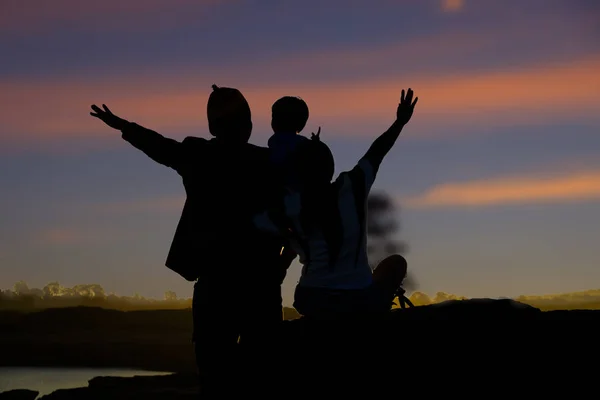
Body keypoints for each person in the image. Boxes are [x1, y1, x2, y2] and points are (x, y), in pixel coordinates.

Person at [89, 84, 294, 397]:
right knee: (261, 377)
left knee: (215, 378)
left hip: (217, 287)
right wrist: (281, 264)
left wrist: (123, 126)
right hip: (259, 287)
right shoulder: (270, 163)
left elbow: (160, 147)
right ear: (249, 125)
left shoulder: (199, 154)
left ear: (213, 126)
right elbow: (301, 216)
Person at [252, 88, 418, 320]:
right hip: (359, 297)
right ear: (330, 167)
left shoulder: (291, 205)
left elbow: (262, 225)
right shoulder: (353, 186)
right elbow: (377, 151)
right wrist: (399, 122)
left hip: (312, 298)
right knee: (396, 264)